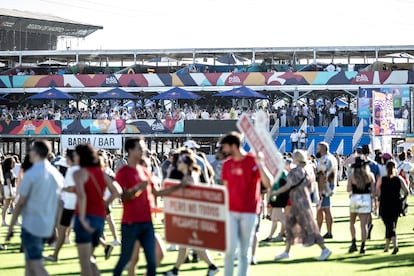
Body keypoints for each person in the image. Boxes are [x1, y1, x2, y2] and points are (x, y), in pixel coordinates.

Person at [113, 137, 186, 276]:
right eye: (139, 148)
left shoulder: (145, 170)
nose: (143, 150)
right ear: (130, 150)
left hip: (147, 222)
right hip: (130, 223)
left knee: (152, 261)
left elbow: (157, 193)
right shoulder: (123, 172)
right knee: (125, 259)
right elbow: (123, 197)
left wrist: (180, 186)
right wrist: (138, 188)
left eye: (143, 148)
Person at [5, 140, 64, 276]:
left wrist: (11, 227)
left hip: (32, 225)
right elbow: (59, 204)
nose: (29, 153)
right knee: (29, 267)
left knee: (35, 265)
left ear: (36, 152)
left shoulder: (31, 174)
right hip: (47, 225)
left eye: (31, 150)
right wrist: (56, 228)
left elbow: (20, 203)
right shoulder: (56, 175)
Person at [220, 132, 273, 276]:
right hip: (231, 211)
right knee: (230, 250)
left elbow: (268, 183)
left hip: (249, 211)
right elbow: (225, 189)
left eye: (225, 147)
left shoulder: (252, 161)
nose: (223, 150)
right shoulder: (227, 164)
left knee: (244, 250)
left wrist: (261, 164)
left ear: (233, 146)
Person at [164, 151, 219, 276]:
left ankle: (211, 266)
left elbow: (190, 196)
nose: (177, 164)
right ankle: (176, 270)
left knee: (191, 243)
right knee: (186, 243)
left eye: (179, 162)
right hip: (187, 213)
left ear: (186, 164)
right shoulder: (187, 175)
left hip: (191, 214)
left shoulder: (190, 177)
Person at [273, 150, 332, 261]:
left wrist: (275, 192)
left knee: (310, 228)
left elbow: (287, 186)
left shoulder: (295, 171)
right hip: (303, 201)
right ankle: (286, 251)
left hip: (299, 203)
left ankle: (324, 249)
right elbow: (311, 187)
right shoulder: (308, 170)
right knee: (290, 226)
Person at [73, 144, 121, 276]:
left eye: (76, 154)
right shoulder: (101, 173)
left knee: (84, 263)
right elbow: (117, 191)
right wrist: (105, 204)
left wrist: (82, 218)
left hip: (84, 216)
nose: (74, 157)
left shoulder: (79, 172)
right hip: (99, 217)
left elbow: (82, 196)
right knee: (90, 259)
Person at [46, 150, 79, 262]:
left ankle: (55, 254)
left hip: (70, 204)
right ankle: (55, 253)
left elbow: (73, 188)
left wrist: (62, 189)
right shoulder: (77, 170)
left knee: (62, 228)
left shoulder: (72, 171)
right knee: (64, 228)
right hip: (73, 203)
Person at [376, 160, 409, 254]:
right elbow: (406, 191)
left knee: (389, 225)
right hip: (396, 204)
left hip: (384, 204)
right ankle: (387, 247)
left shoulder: (382, 179)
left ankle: (395, 245)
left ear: (386, 168)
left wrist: (378, 198)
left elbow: (376, 191)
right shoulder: (398, 179)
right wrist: (402, 199)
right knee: (391, 225)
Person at [347, 157, 375, 254]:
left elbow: (348, 189)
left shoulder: (352, 176)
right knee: (364, 225)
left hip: (355, 198)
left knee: (352, 222)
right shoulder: (370, 176)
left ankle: (354, 242)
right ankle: (363, 246)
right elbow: (373, 190)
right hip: (366, 198)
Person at [316, 142, 337, 239]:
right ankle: (325, 232)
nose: (317, 150)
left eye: (318, 148)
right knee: (323, 209)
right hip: (330, 185)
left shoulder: (324, 159)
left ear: (323, 149)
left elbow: (321, 175)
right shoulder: (332, 158)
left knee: (324, 209)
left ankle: (325, 232)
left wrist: (320, 190)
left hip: (325, 187)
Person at [2, 157, 17, 226]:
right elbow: (8, 182)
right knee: (8, 206)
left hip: (10, 189)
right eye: (13, 162)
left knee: (10, 205)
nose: (15, 164)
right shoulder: (9, 172)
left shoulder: (10, 171)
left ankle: (6, 221)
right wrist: (10, 191)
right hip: (9, 189)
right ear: (9, 164)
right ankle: (4, 221)